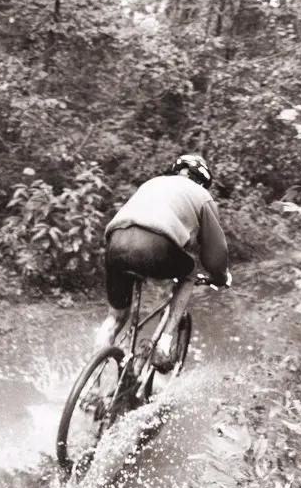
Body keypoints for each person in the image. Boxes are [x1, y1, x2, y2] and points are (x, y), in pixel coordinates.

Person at [94, 154, 232, 372]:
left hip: (116, 243)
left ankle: (92, 385)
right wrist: (219, 277)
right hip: (155, 246)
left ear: (178, 171)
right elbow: (216, 251)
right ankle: (164, 343)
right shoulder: (202, 195)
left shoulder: (153, 183)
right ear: (202, 181)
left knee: (115, 318)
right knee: (189, 271)